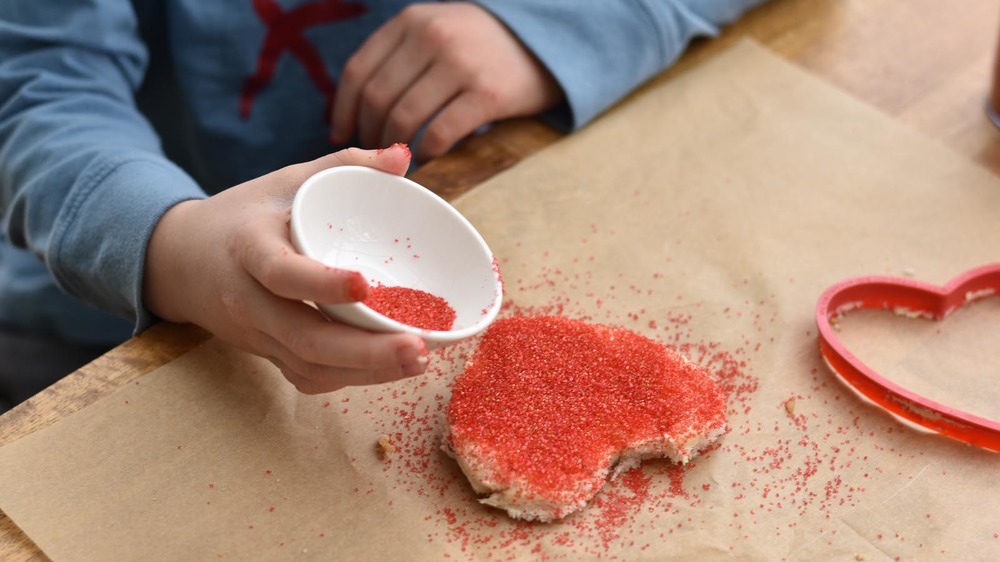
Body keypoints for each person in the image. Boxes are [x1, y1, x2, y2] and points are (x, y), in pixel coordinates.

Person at [0, 0, 765, 410]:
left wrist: (554, 26)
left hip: (534, 200)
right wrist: (169, 242)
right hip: (116, 314)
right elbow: (37, 88)